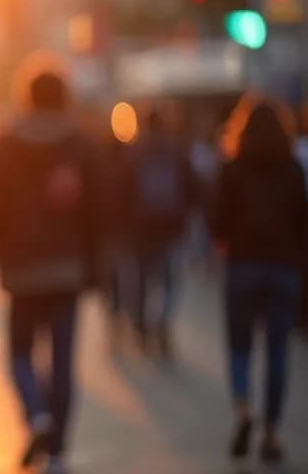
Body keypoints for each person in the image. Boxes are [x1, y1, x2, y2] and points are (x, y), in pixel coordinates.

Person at [0, 64, 97, 474]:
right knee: (63, 358)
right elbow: (98, 210)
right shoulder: (81, 144)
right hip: (67, 267)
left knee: (19, 351)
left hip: (21, 268)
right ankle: (59, 447)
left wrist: (3, 243)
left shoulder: (6, 144)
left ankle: (36, 415)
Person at [210, 97, 305, 465]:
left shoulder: (233, 168)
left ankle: (242, 409)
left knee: (240, 347)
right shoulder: (293, 169)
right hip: (282, 269)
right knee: (278, 351)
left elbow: (217, 222)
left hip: (242, 268)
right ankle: (272, 431)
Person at [119, 109, 198, 357]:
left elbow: (122, 192)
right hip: (171, 228)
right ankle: (163, 318)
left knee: (140, 281)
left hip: (140, 228)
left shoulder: (134, 153)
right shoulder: (177, 151)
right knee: (169, 281)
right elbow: (194, 188)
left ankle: (141, 327)